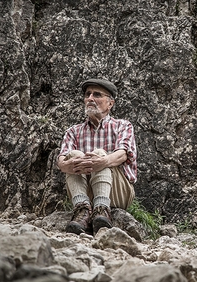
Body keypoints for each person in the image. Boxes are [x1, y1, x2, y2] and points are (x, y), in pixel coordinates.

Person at [57, 78, 137, 235]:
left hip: (117, 191)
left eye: (97, 94)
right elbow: (61, 160)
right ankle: (82, 210)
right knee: (73, 155)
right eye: (88, 94)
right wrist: (67, 164)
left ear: (110, 104)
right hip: (84, 191)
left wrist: (102, 160)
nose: (90, 98)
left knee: (99, 153)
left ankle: (102, 209)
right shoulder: (73, 131)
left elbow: (122, 155)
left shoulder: (123, 126)